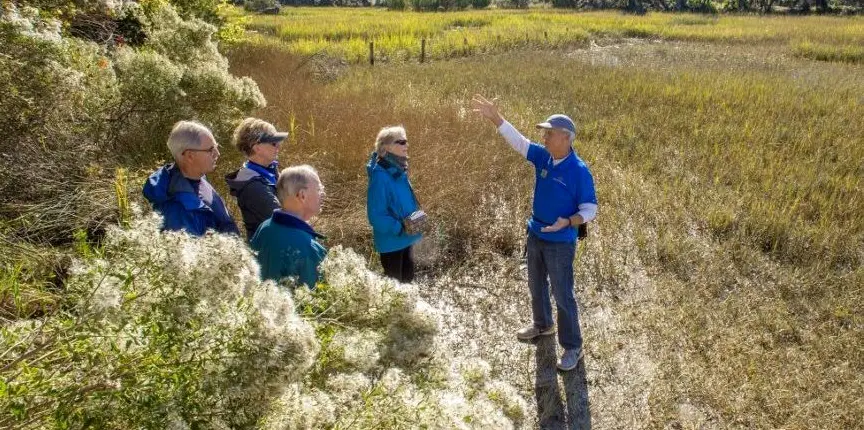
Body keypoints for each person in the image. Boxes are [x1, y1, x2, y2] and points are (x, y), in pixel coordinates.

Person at [471, 94, 598, 372]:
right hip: (536, 234)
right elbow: (520, 143)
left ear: (566, 138)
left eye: (549, 133)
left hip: (560, 242)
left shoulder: (579, 171)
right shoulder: (544, 157)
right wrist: (496, 119)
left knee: (563, 294)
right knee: (536, 285)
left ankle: (572, 347)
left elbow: (590, 209)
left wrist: (568, 221)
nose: (544, 137)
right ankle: (543, 325)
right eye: (544, 133)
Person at [143, 120, 238, 236]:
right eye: (211, 150)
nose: (217, 154)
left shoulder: (198, 177)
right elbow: (196, 247)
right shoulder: (177, 209)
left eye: (216, 147)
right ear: (190, 156)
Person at [251, 165, 327, 288]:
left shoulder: (265, 227)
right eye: (319, 189)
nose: (322, 194)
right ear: (302, 195)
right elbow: (316, 294)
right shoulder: (308, 247)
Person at [366, 125, 424, 283]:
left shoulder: (399, 169)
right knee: (395, 290)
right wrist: (399, 228)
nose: (407, 145)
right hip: (392, 243)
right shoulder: (380, 176)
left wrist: (413, 223)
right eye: (402, 142)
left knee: (408, 285)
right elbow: (376, 216)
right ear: (387, 147)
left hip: (408, 238)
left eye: (406, 141)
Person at [225, 118, 288, 239]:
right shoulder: (253, 186)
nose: (278, 145)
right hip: (270, 247)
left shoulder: (268, 170)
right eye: (273, 142)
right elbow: (285, 221)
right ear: (257, 147)